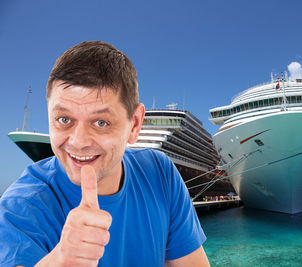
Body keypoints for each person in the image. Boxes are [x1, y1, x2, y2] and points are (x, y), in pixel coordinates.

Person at [0, 41, 210, 266]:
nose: (78, 142)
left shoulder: (160, 173)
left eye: (101, 122)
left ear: (135, 125)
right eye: (63, 119)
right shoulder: (20, 208)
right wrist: (60, 261)